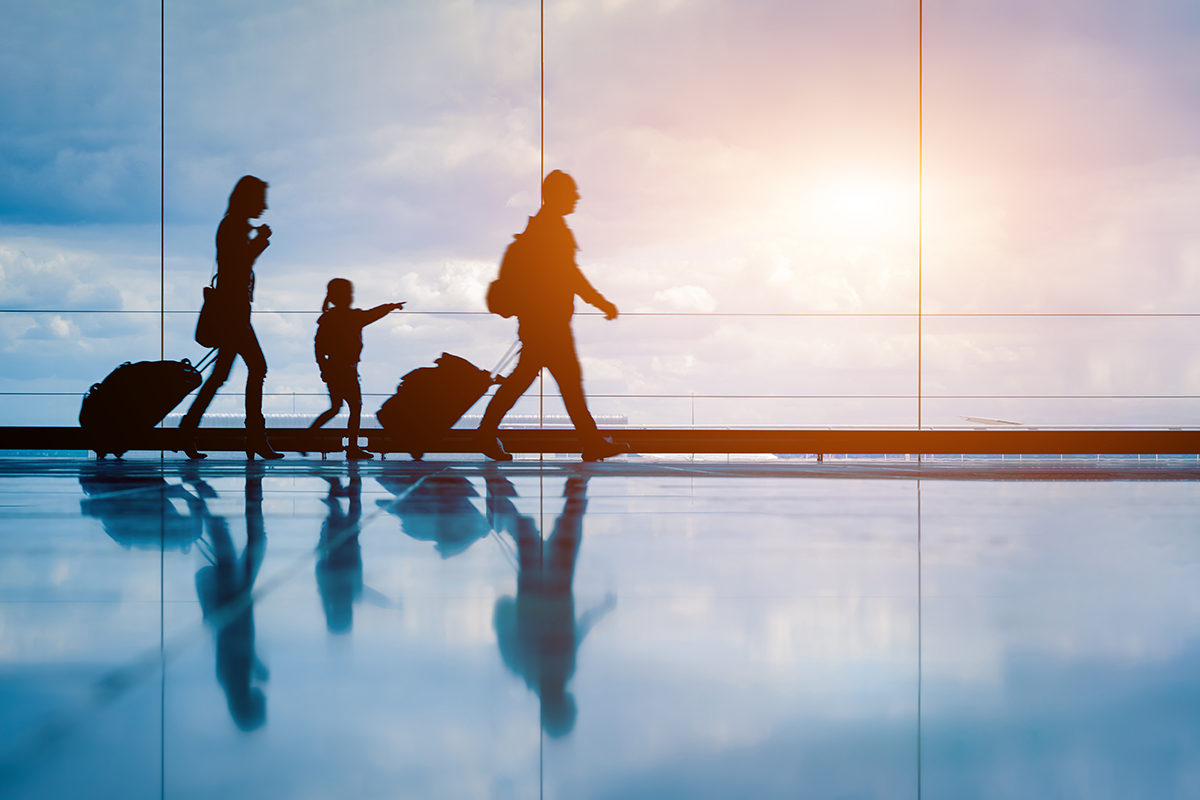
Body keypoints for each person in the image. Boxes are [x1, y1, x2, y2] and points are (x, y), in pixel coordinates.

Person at [478, 170, 629, 462]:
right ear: (556, 195)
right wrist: (600, 302)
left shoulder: (542, 229)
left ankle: (486, 433)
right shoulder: (552, 230)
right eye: (571, 193)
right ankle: (591, 442)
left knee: (525, 381)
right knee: (567, 382)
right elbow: (570, 276)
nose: (577, 198)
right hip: (549, 325)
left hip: (539, 323)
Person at [181, 175, 282, 460]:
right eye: (260, 199)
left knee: (220, 376)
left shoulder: (233, 225)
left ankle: (188, 430)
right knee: (257, 368)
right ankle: (255, 438)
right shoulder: (234, 226)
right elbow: (238, 266)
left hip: (233, 313)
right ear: (248, 199)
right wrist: (261, 241)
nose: (264, 206)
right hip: (234, 315)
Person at [308, 278, 405, 459]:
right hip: (346, 371)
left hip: (333, 369)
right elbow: (373, 314)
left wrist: (323, 369)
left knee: (336, 407)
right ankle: (351, 447)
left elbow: (318, 347)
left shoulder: (328, 318)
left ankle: (307, 437)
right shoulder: (353, 317)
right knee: (355, 406)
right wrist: (391, 306)